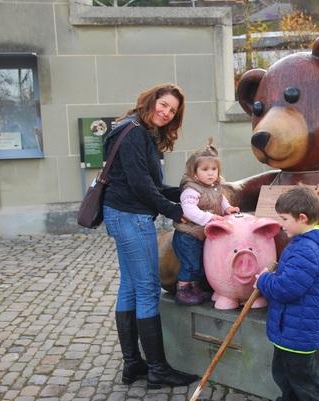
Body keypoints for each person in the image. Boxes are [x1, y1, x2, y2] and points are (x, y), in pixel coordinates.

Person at [102, 83, 199, 389]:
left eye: (172, 111)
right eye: (164, 105)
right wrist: (174, 210)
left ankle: (133, 365)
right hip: (131, 218)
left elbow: (150, 185)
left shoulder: (133, 129)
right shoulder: (133, 133)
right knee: (146, 289)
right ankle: (157, 369)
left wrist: (189, 190)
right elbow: (141, 186)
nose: (166, 113)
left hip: (123, 214)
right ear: (152, 99)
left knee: (130, 287)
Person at [254, 186, 319, 401]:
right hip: (289, 329)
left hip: (297, 332)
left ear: (302, 218)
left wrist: (263, 280)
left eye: (284, 219)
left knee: (307, 384)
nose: (281, 225)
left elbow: (286, 289)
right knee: (285, 375)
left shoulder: (306, 250)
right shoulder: (303, 243)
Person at [172, 138, 240, 305]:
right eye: (205, 169)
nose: (211, 173)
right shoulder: (191, 189)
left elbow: (220, 199)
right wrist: (209, 217)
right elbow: (189, 210)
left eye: (214, 169)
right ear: (195, 173)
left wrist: (227, 208)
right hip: (188, 235)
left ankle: (195, 289)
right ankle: (182, 289)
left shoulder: (214, 187)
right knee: (191, 264)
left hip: (202, 235)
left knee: (201, 263)